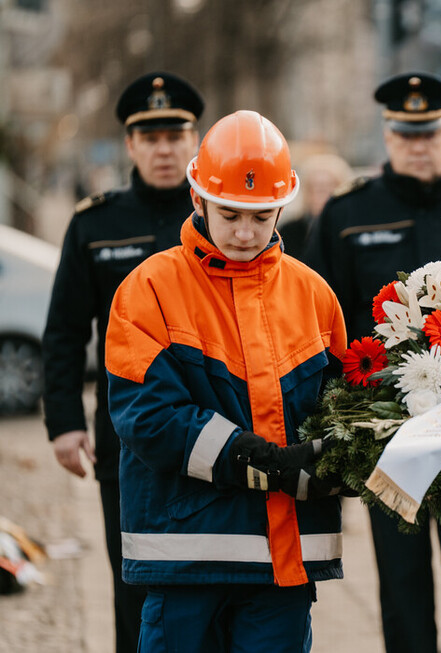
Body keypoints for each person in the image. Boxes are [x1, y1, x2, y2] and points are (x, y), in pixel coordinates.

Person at [104, 110, 348, 651]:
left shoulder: (314, 295)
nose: (244, 232)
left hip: (283, 568)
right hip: (185, 561)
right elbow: (147, 418)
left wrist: (340, 458)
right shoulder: (148, 290)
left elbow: (343, 408)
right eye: (230, 214)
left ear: (281, 208)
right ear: (198, 201)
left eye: (261, 217)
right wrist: (251, 458)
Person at [304, 71, 441, 653]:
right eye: (406, 134)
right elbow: (317, 318)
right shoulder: (348, 213)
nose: (419, 145)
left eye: (430, 132)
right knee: (402, 583)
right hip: (386, 427)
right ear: (387, 135)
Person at [41, 71, 204, 653]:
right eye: (150, 137)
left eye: (175, 135)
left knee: (214, 588)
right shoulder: (95, 224)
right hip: (127, 441)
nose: (163, 149)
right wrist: (63, 421)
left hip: (216, 428)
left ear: (194, 140)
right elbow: (63, 332)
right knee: (133, 585)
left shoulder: (221, 220)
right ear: (131, 145)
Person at [278, 153, 352, 259]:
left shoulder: (350, 231)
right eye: (314, 187)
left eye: (327, 187)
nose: (319, 194)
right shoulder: (290, 231)